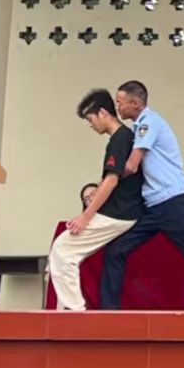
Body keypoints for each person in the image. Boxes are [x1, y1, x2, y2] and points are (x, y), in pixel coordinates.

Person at [97, 80, 184, 310]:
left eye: (120, 102)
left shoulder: (148, 123)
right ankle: (108, 312)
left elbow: (131, 166)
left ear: (136, 103)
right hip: (152, 207)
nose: (117, 107)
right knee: (116, 251)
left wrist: (105, 183)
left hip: (173, 204)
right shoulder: (139, 126)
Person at [48, 90, 143, 311]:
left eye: (90, 119)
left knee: (63, 250)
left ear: (102, 113)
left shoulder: (120, 139)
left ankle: (74, 310)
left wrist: (85, 217)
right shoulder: (122, 138)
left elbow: (111, 181)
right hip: (120, 211)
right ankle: (68, 309)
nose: (91, 125)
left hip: (119, 213)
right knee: (65, 252)